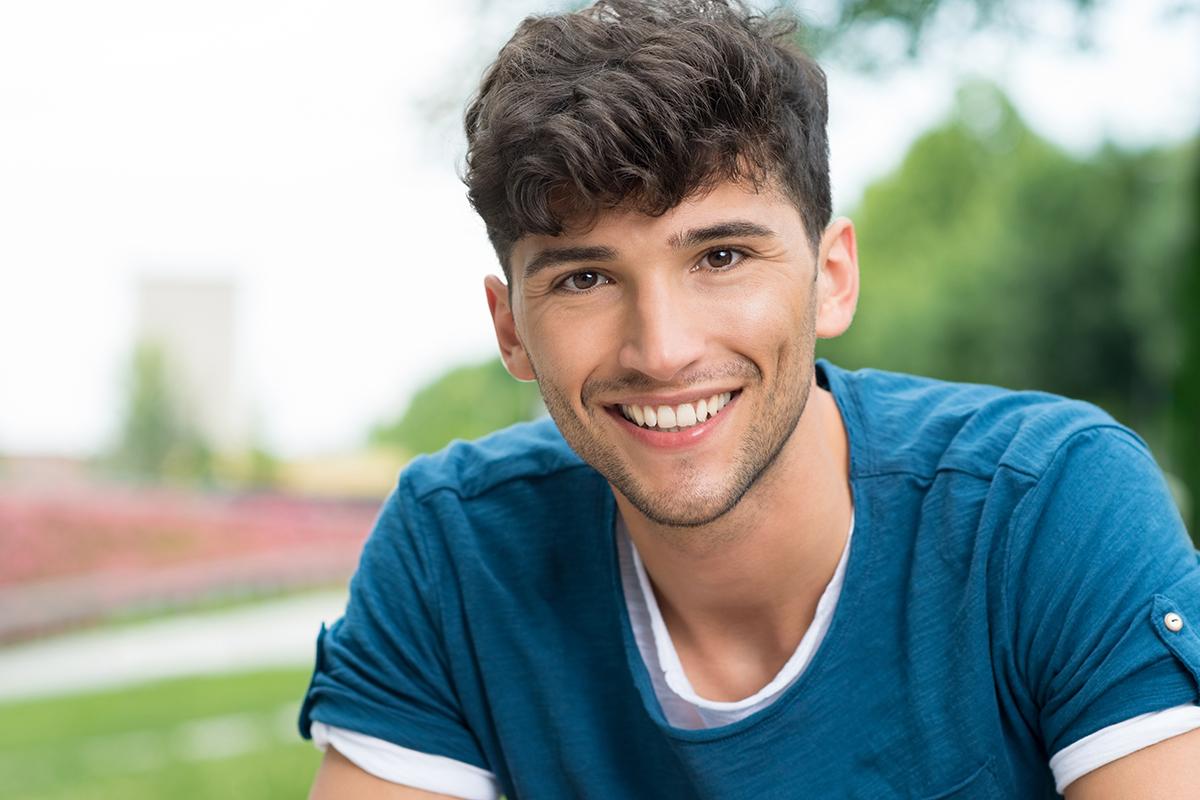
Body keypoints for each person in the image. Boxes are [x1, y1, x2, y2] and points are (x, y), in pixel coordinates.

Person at [299, 1, 1200, 796]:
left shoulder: (1045, 508)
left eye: (721, 258)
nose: (663, 350)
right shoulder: (455, 552)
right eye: (583, 279)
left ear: (831, 277)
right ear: (510, 329)